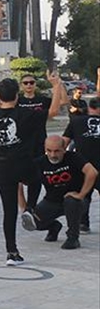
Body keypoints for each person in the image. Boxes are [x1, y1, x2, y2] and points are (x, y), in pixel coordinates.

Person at [0, 78, 41, 265]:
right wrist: (56, 86)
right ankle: (30, 207)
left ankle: (11, 252)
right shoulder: (26, 114)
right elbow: (53, 111)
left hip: (3, 166)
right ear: (18, 95)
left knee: (9, 211)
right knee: (36, 180)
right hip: (23, 162)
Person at [22, 136, 97, 249]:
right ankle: (54, 227)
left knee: (71, 201)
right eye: (49, 150)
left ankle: (73, 238)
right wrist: (25, 208)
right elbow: (19, 182)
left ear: (64, 148)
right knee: (31, 222)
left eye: (57, 151)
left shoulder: (74, 158)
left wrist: (81, 194)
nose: (53, 155)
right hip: (52, 201)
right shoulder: (39, 162)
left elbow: (92, 172)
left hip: (75, 201)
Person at [16, 72, 67, 209]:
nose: (29, 85)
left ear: (35, 84)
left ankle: (31, 207)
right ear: (21, 86)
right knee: (17, 177)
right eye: (25, 83)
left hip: (39, 142)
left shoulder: (42, 100)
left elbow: (62, 102)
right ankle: (23, 205)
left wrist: (58, 84)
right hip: (21, 143)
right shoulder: (18, 101)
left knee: (36, 176)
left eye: (31, 82)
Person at [62, 97, 100, 233]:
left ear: (90, 108)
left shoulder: (76, 121)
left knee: (83, 195)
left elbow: (64, 143)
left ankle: (83, 223)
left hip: (83, 165)